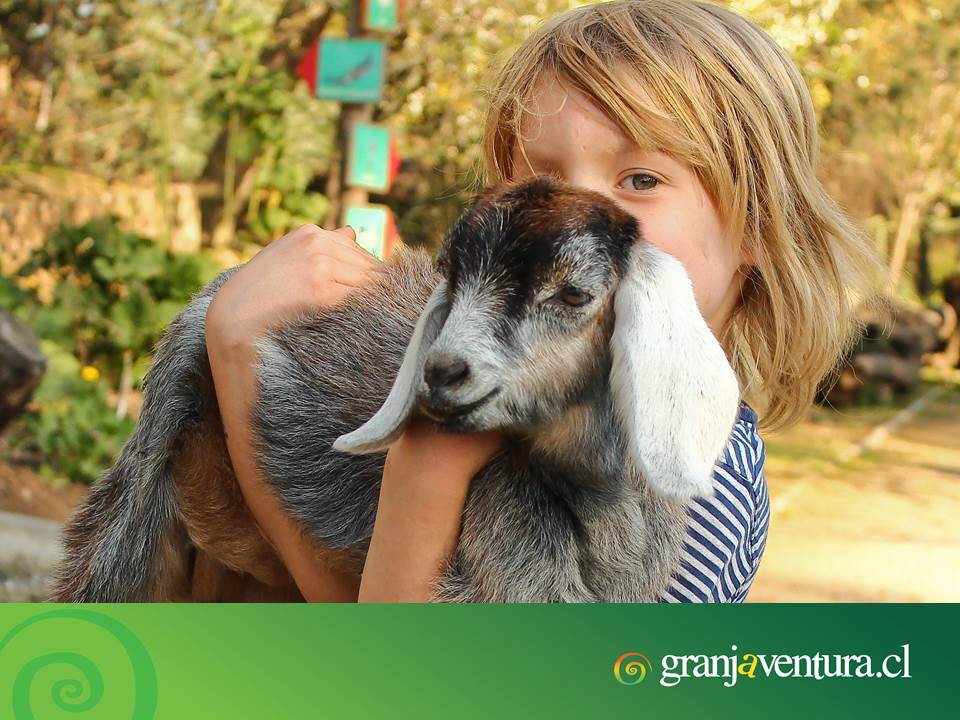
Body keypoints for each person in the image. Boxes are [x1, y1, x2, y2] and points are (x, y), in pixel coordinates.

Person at [204, 0, 885, 602]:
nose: (570, 217)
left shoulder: (702, 492)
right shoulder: (516, 410)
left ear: (759, 226)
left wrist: (419, 469)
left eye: (640, 177)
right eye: (539, 180)